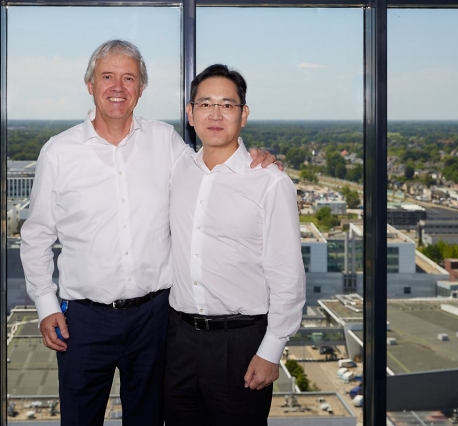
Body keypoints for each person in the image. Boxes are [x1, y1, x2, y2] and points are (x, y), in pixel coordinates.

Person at [20, 41, 279, 426]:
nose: (118, 87)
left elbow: (212, 169)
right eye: (108, 76)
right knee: (78, 419)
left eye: (129, 78)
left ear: (141, 89)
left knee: (148, 420)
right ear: (90, 84)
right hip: (84, 322)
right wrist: (46, 304)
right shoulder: (59, 152)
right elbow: (37, 234)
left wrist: (256, 158)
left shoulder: (166, 141)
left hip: (155, 321)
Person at [165, 64, 306, 426]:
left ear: (243, 115)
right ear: (190, 113)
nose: (215, 114)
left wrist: (271, 351)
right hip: (178, 341)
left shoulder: (270, 183)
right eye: (205, 104)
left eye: (227, 105)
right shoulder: (177, 170)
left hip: (241, 346)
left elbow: (287, 275)